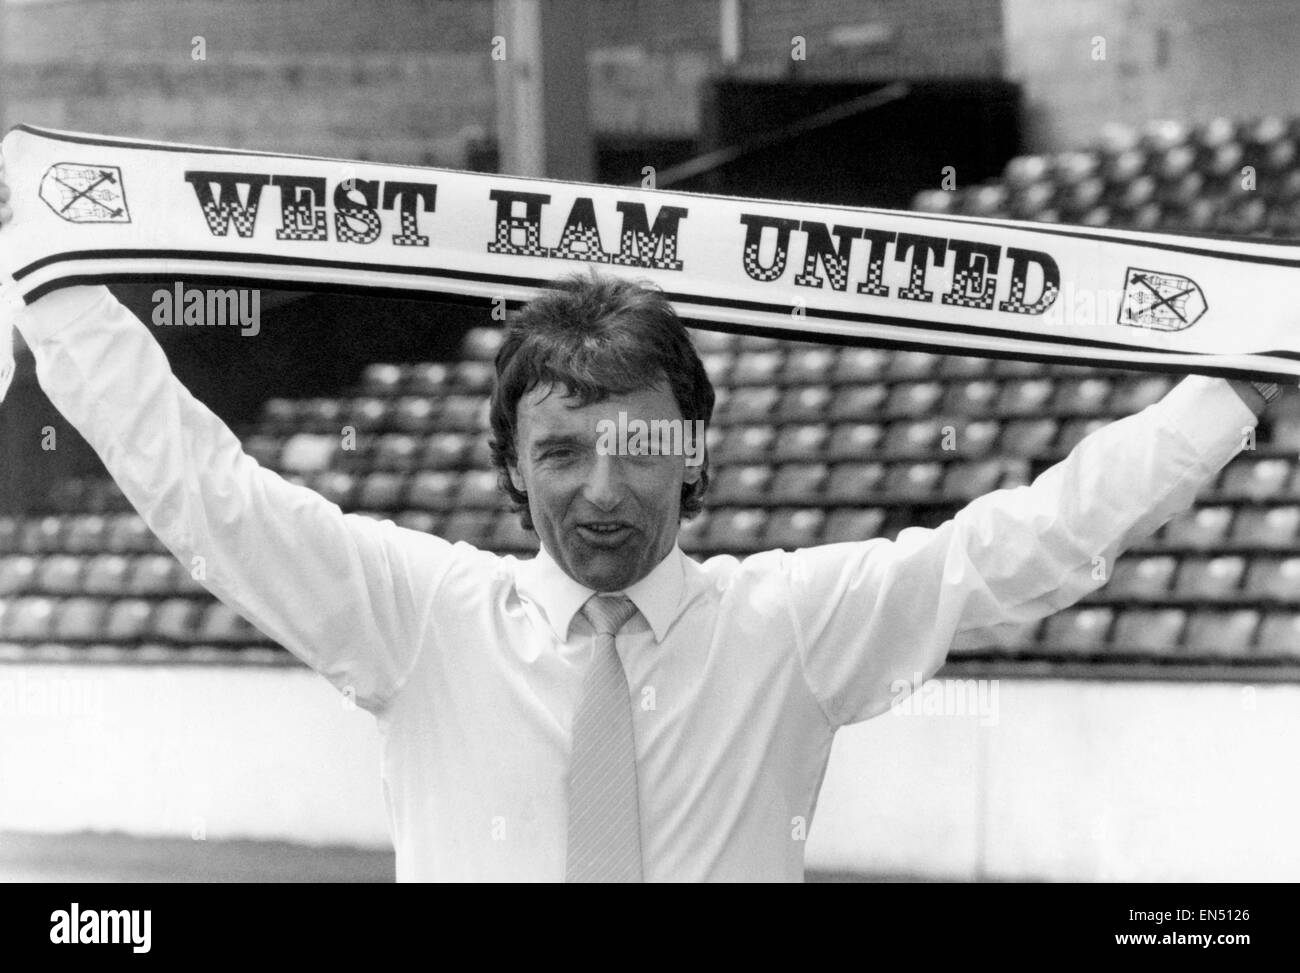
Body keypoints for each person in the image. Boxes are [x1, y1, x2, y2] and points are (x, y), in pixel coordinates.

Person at [0, 175, 1280, 882]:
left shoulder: (790, 624)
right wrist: (56, 295)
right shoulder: (422, 618)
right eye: (561, 449)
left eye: (641, 444)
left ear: (697, 455)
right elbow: (206, 493)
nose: (603, 490)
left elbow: (1031, 540)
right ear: (510, 462)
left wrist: (1235, 385)